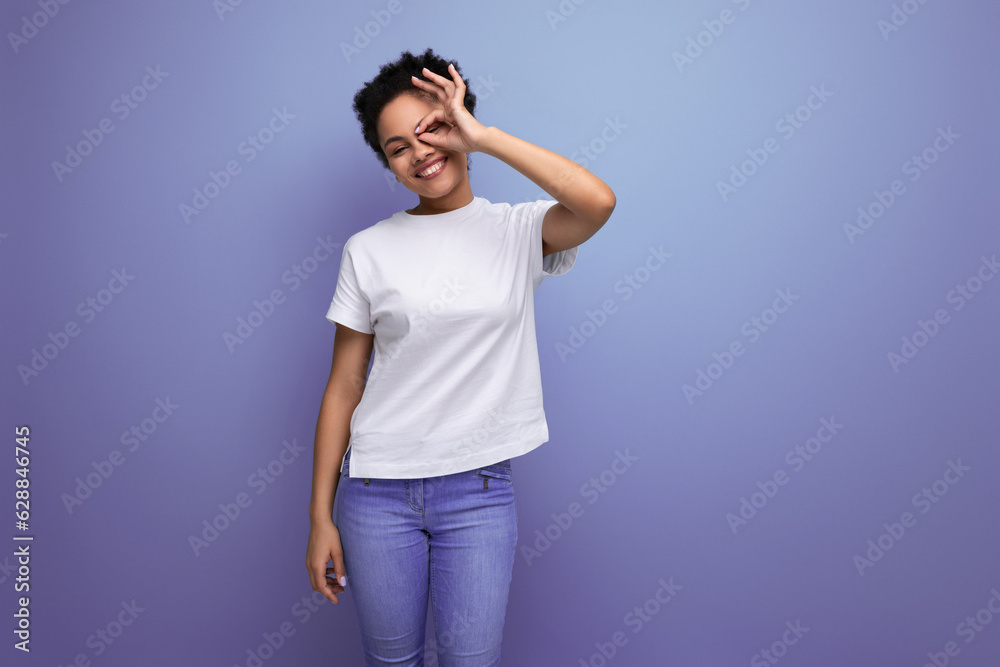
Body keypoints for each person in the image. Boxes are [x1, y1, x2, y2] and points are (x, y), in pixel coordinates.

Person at [305, 48, 615, 666]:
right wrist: (320, 517)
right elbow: (344, 384)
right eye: (398, 148)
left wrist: (485, 136)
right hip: (373, 493)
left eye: (434, 130)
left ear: (461, 125)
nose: (419, 153)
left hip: (478, 491)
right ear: (390, 167)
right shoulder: (368, 251)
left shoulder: (518, 230)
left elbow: (597, 203)